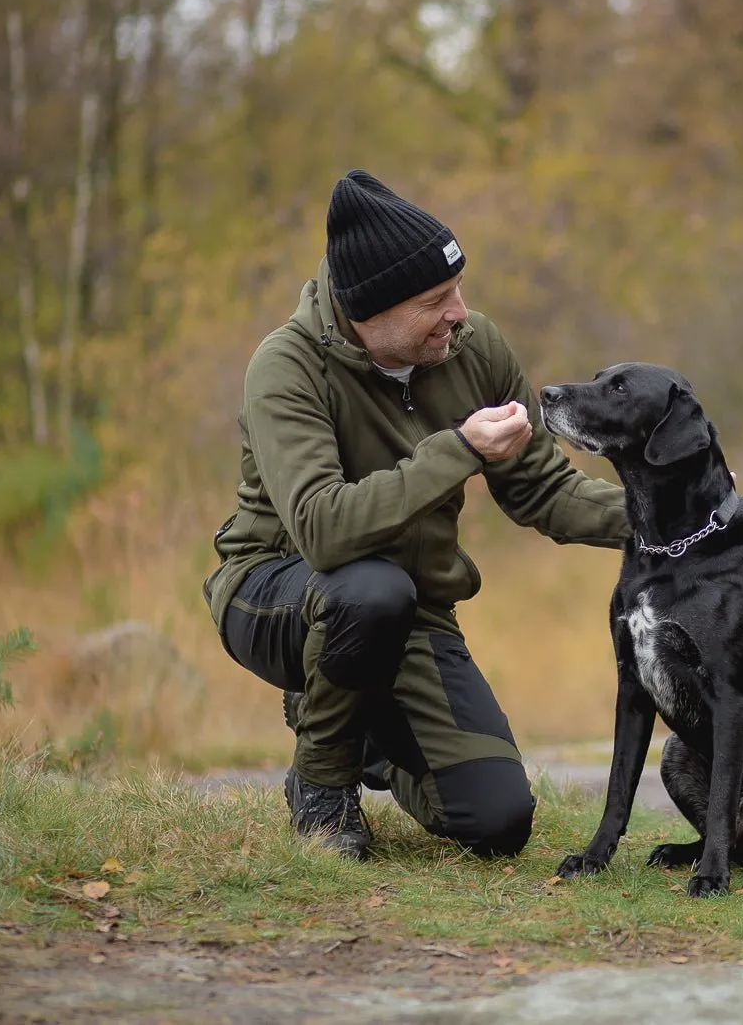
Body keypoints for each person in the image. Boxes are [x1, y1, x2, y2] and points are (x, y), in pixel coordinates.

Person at [201, 169, 631, 860]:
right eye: (436, 300)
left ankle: (352, 719)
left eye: (458, 290)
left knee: (498, 821)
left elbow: (544, 489)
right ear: (371, 310)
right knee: (370, 590)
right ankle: (322, 788)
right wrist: (457, 449)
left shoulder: (474, 347)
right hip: (278, 591)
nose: (459, 312)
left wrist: (674, 514)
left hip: (413, 609)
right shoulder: (285, 368)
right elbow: (323, 529)